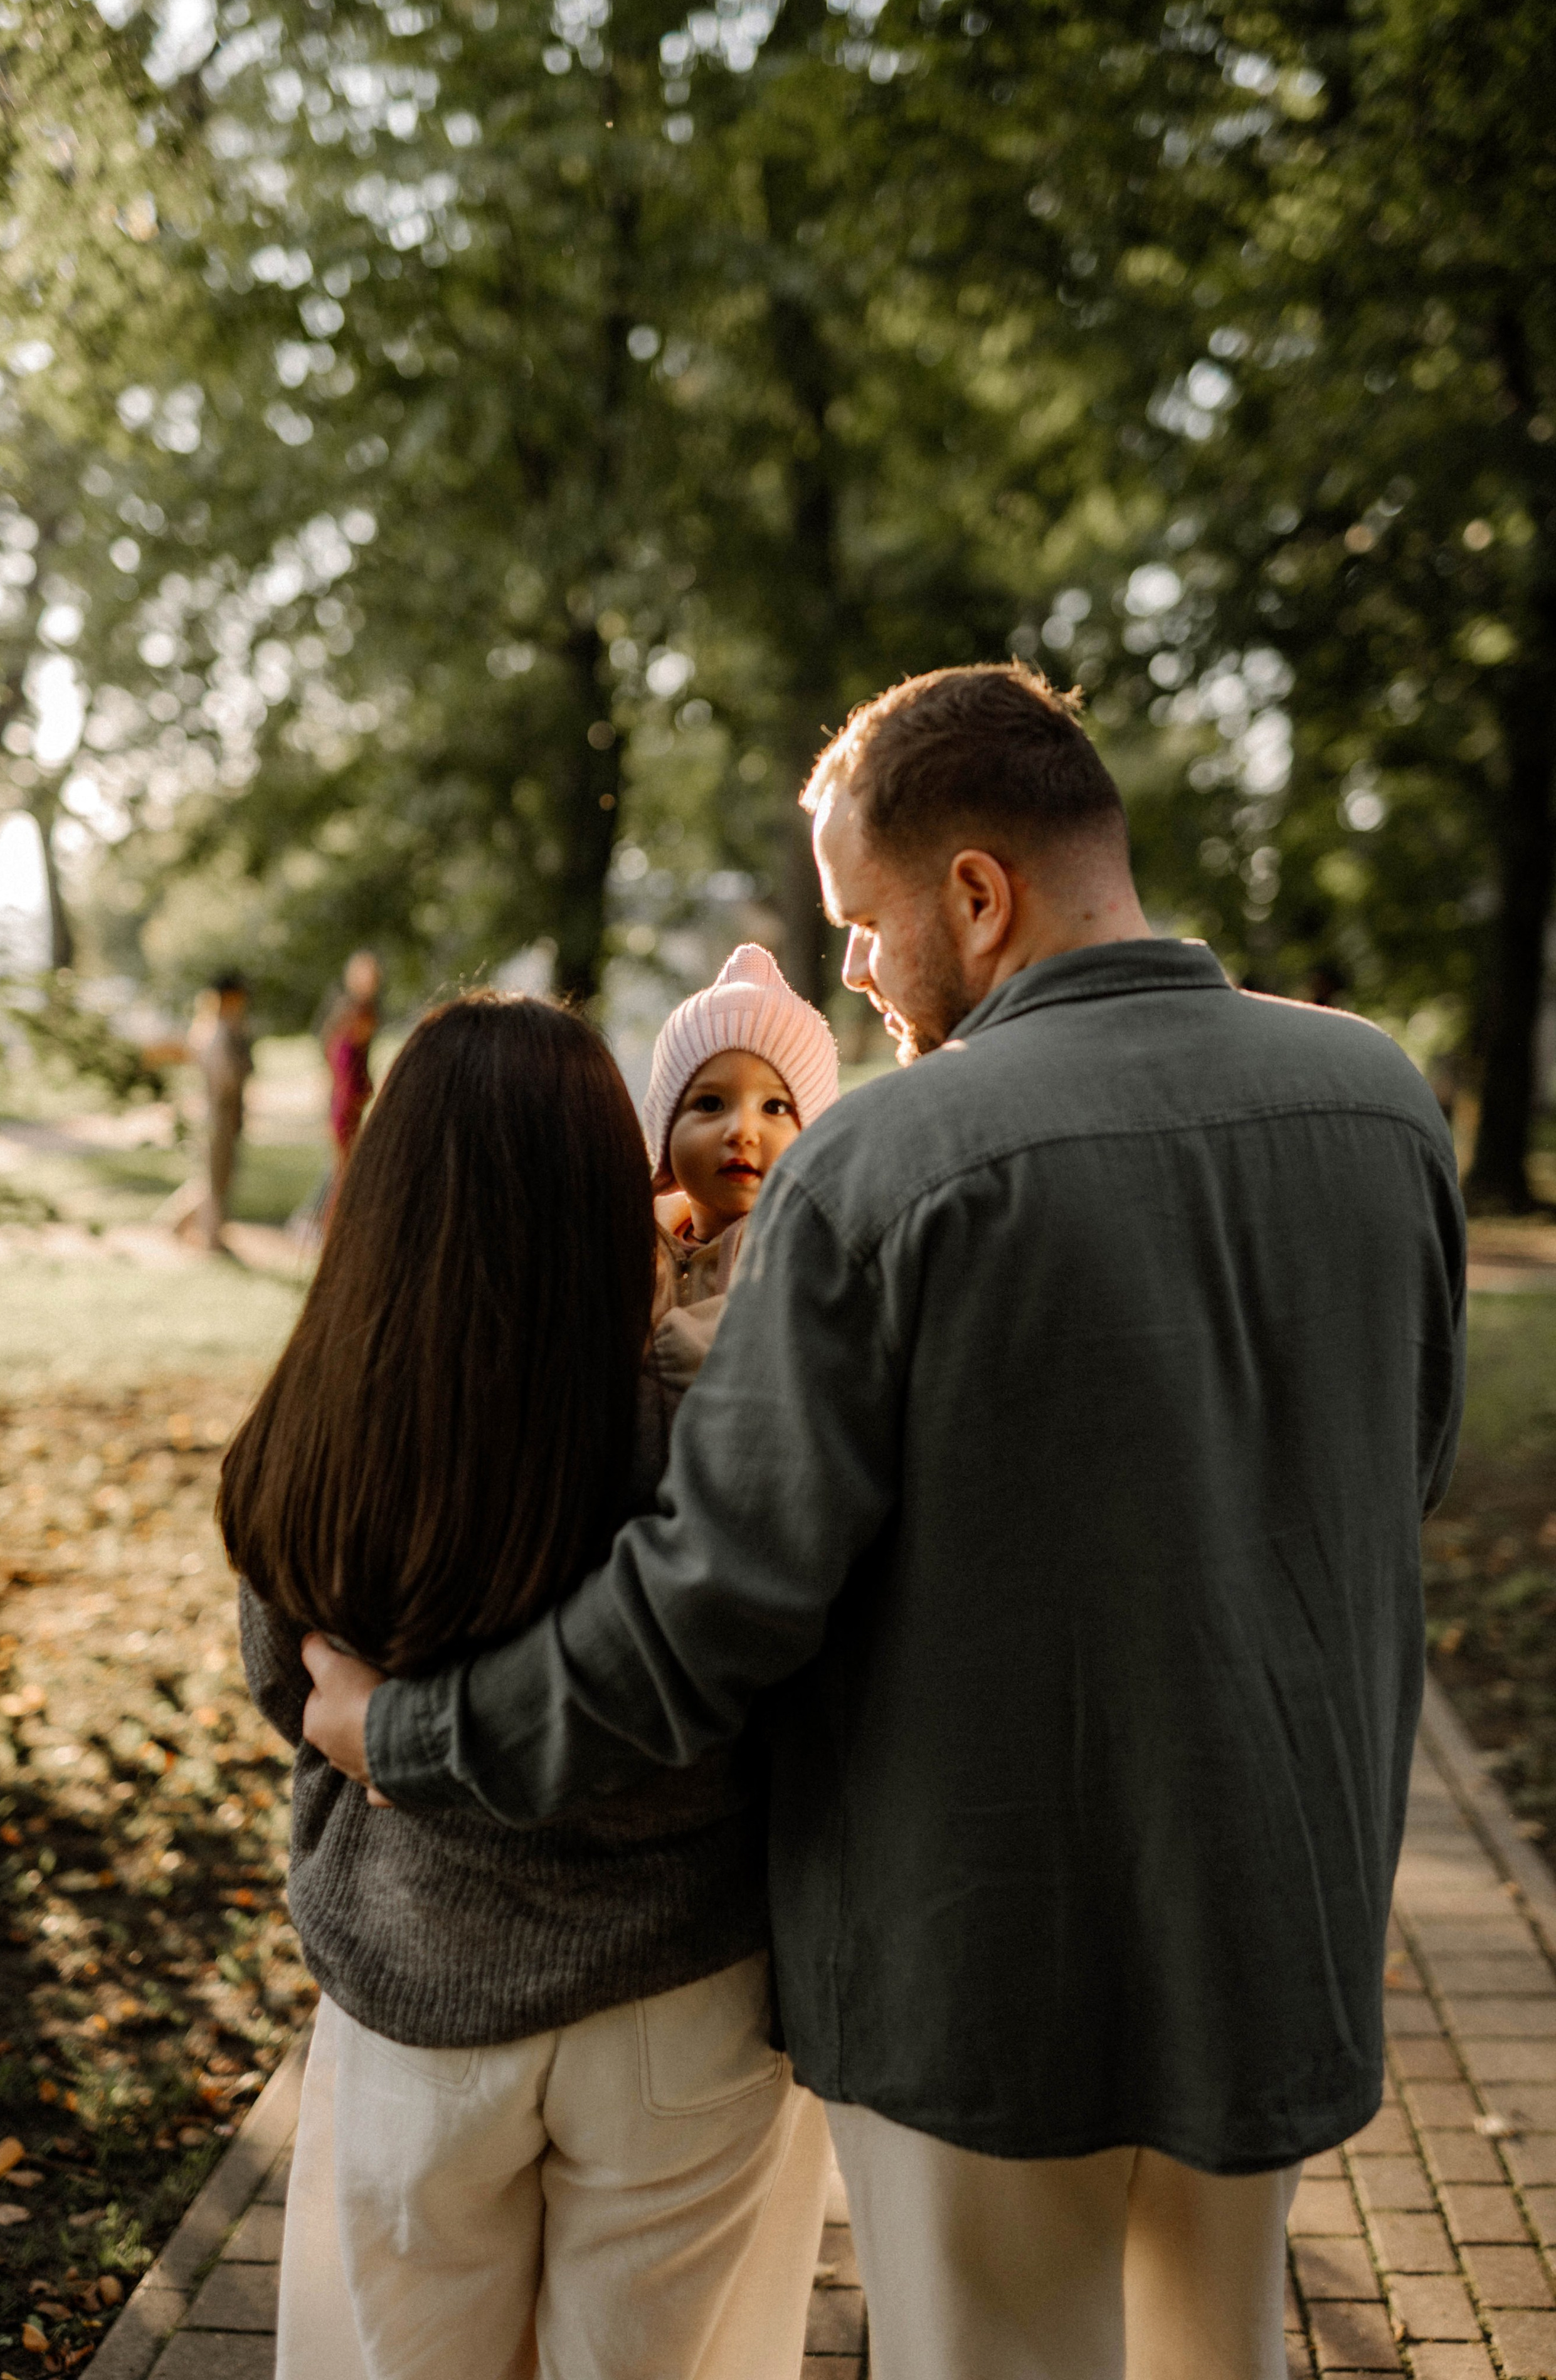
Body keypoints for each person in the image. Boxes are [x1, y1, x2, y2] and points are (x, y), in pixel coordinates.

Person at [303, 665, 1468, 2380]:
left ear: (979, 896)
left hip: (976, 1961)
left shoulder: (896, 1160)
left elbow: (711, 1608)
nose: (849, 968)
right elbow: (1399, 1469)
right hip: (1270, 1918)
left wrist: (418, 1732)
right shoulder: (1382, 1108)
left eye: (861, 922)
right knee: (1219, 2353)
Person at [220, 993, 830, 2380]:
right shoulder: (698, 1430)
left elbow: (284, 1678)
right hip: (680, 1995)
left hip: (421, 1981)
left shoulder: (330, 1419)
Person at [643, 942, 840, 1391]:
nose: (742, 1132)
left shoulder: (809, 1256)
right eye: (710, 1104)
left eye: (775, 1107)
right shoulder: (631, 1246)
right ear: (665, 1132)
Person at [188, 970, 252, 1252]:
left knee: (217, 1176)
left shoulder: (228, 1028)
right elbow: (224, 1078)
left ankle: (178, 1225)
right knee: (216, 1178)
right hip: (217, 1114)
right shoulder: (216, 1030)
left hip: (225, 1113)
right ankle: (213, 1238)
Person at [322, 948, 382, 1202]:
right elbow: (342, 1063)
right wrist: (355, 1094)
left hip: (348, 1105)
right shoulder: (353, 1014)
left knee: (346, 1174)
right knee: (346, 1178)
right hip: (346, 1106)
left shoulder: (360, 1011)